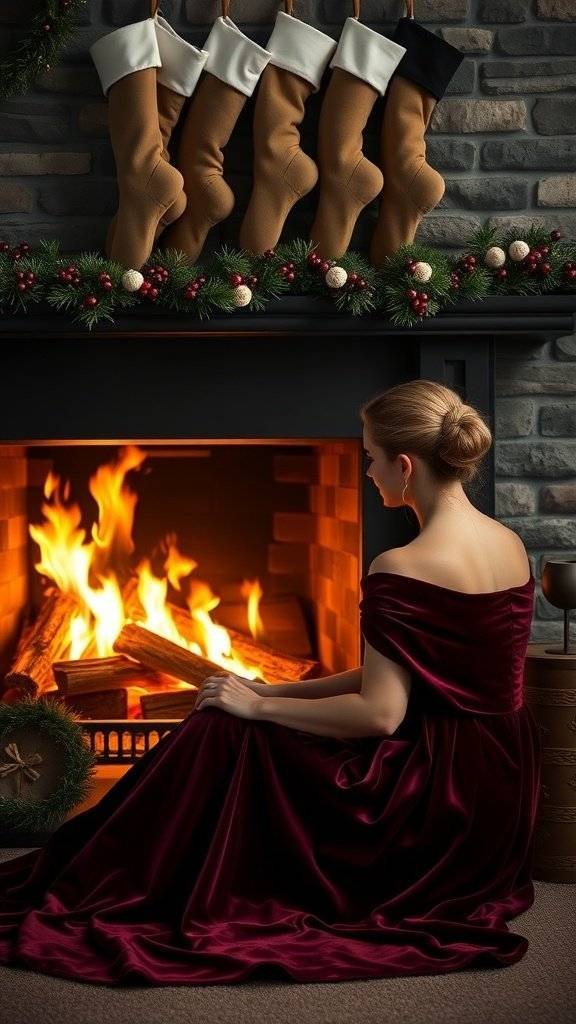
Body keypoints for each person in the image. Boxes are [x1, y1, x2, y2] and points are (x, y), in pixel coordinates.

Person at [0, 379, 541, 986]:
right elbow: (414, 671)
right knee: (235, 712)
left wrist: (255, 713)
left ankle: (125, 868)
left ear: (406, 466)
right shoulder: (510, 543)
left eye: (369, 456)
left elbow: (380, 716)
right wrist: (271, 692)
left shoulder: (402, 566)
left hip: (426, 799)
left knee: (222, 730)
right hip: (497, 788)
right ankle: (130, 858)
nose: (365, 471)